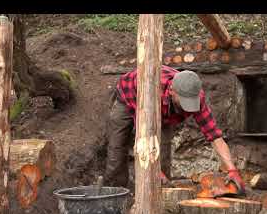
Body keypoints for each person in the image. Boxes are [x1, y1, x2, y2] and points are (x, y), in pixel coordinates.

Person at [104, 65, 245, 195]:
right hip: (130, 96)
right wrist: (152, 170)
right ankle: (115, 197)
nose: (187, 107)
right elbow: (143, 138)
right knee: (117, 151)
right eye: (184, 101)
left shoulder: (195, 94)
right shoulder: (152, 92)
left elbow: (215, 136)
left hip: (164, 111)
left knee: (162, 156)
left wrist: (232, 169)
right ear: (171, 90)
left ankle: (161, 201)